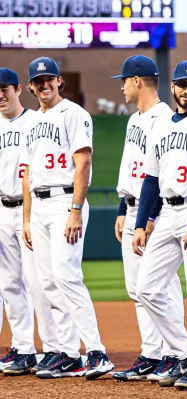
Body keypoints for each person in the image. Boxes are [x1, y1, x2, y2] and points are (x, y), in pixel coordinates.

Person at [23, 57, 114, 380]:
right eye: (38, 80)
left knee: (66, 276)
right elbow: (28, 172)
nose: (44, 84)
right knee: (47, 281)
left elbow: (83, 164)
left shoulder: (73, 113)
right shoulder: (31, 121)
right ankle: (67, 353)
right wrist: (26, 217)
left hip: (65, 201)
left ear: (59, 81)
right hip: (39, 204)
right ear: (31, 86)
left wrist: (76, 209)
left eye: (50, 79)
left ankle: (97, 351)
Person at [132, 60, 187, 390]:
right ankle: (183, 351)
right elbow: (151, 179)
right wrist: (143, 222)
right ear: (173, 87)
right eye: (182, 84)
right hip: (167, 212)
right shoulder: (161, 125)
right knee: (147, 288)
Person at [110, 55, 184, 383]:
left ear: (137, 81)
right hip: (131, 207)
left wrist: (150, 215)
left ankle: (174, 353)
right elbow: (130, 168)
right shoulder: (134, 120)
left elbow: (160, 173)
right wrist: (121, 210)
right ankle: (152, 354)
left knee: (161, 285)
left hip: (152, 208)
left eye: (124, 80)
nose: (122, 87)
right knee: (137, 289)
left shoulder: (164, 118)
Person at [0, 68, 60, 376]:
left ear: (18, 89)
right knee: (10, 282)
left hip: (31, 208)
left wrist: (29, 215)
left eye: (5, 88)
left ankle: (53, 347)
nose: (1, 94)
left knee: (38, 281)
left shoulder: (36, 122)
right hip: (1, 208)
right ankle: (23, 348)